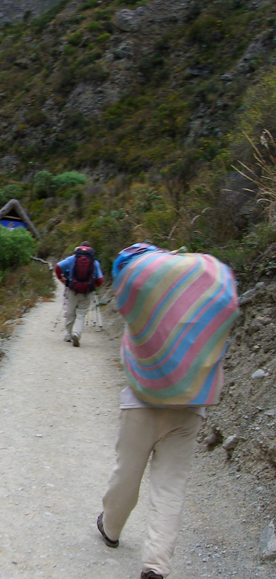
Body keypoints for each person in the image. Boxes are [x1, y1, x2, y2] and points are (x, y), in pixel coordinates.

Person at [96, 243, 239, 579]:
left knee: (126, 474)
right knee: (171, 486)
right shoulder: (203, 298)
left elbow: (126, 291)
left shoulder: (143, 296)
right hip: (190, 407)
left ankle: (111, 529)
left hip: (141, 401)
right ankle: (155, 565)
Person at [54, 241, 103, 347]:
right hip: (87, 292)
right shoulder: (94, 262)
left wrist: (62, 279)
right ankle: (76, 334)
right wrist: (92, 285)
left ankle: (68, 334)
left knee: (70, 312)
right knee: (81, 314)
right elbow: (100, 280)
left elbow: (58, 267)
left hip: (73, 289)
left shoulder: (73, 258)